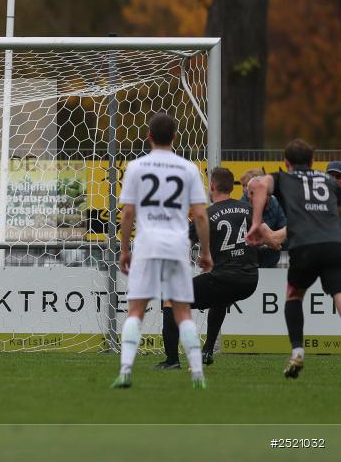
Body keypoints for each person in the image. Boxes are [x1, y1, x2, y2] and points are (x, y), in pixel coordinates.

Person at [111, 112, 212, 390]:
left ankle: (126, 370)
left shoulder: (136, 167)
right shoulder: (188, 168)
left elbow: (128, 213)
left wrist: (124, 250)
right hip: (177, 245)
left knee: (136, 310)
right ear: (175, 137)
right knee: (182, 312)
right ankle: (197, 374)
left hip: (147, 243)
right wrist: (205, 251)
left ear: (149, 136)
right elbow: (201, 217)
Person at [246, 139, 341, 379]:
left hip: (305, 246)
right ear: (313, 162)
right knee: (338, 295)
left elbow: (257, 185)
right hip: (333, 245)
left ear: (285, 163)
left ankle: (298, 350)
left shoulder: (283, 179)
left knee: (294, 295)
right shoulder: (329, 181)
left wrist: (256, 223)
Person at [157, 167, 257, 369]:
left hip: (225, 277)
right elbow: (266, 235)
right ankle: (208, 350)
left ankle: (172, 361)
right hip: (249, 280)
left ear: (212, 187)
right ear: (233, 187)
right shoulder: (249, 210)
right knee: (220, 298)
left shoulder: (207, 215)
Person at [239, 169, 287, 268]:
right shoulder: (241, 206)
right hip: (246, 264)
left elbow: (285, 234)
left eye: (247, 186)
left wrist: (273, 240)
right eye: (244, 186)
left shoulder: (276, 205)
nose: (245, 190)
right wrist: (271, 241)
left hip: (270, 262)